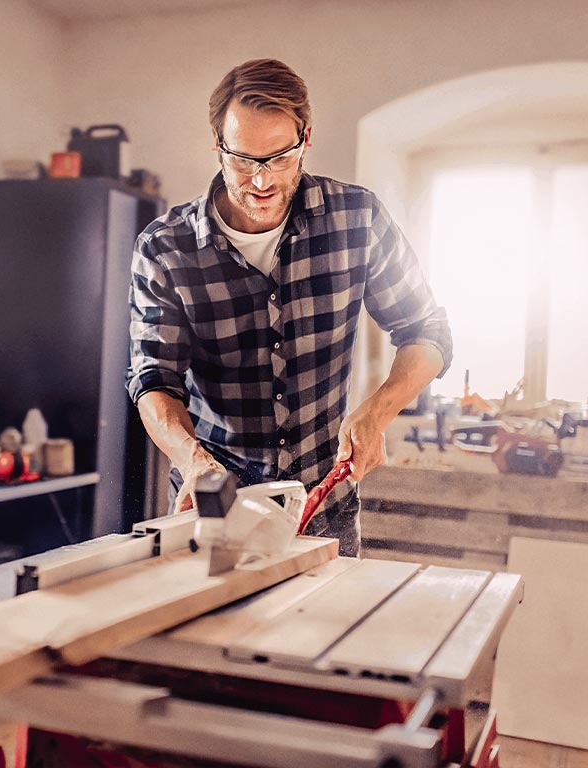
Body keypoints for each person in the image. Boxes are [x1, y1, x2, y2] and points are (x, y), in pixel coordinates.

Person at [125, 59, 452, 556]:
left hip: (327, 504)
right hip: (217, 505)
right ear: (218, 146)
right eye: (243, 160)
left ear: (306, 139)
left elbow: (427, 331)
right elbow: (153, 378)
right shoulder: (165, 248)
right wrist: (190, 457)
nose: (261, 181)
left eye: (280, 158)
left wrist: (377, 413)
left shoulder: (356, 220)